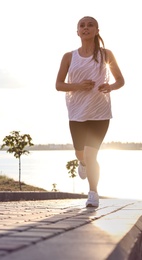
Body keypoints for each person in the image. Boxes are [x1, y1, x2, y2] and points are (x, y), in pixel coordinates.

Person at [55, 16, 125, 207]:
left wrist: (109, 87)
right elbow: (58, 85)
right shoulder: (69, 57)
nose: (86, 28)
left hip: (100, 113)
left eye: (90, 25)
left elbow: (120, 80)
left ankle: (93, 193)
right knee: (81, 155)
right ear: (78, 32)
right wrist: (77, 86)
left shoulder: (106, 54)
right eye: (82, 25)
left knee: (91, 155)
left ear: (96, 30)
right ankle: (83, 164)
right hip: (77, 113)